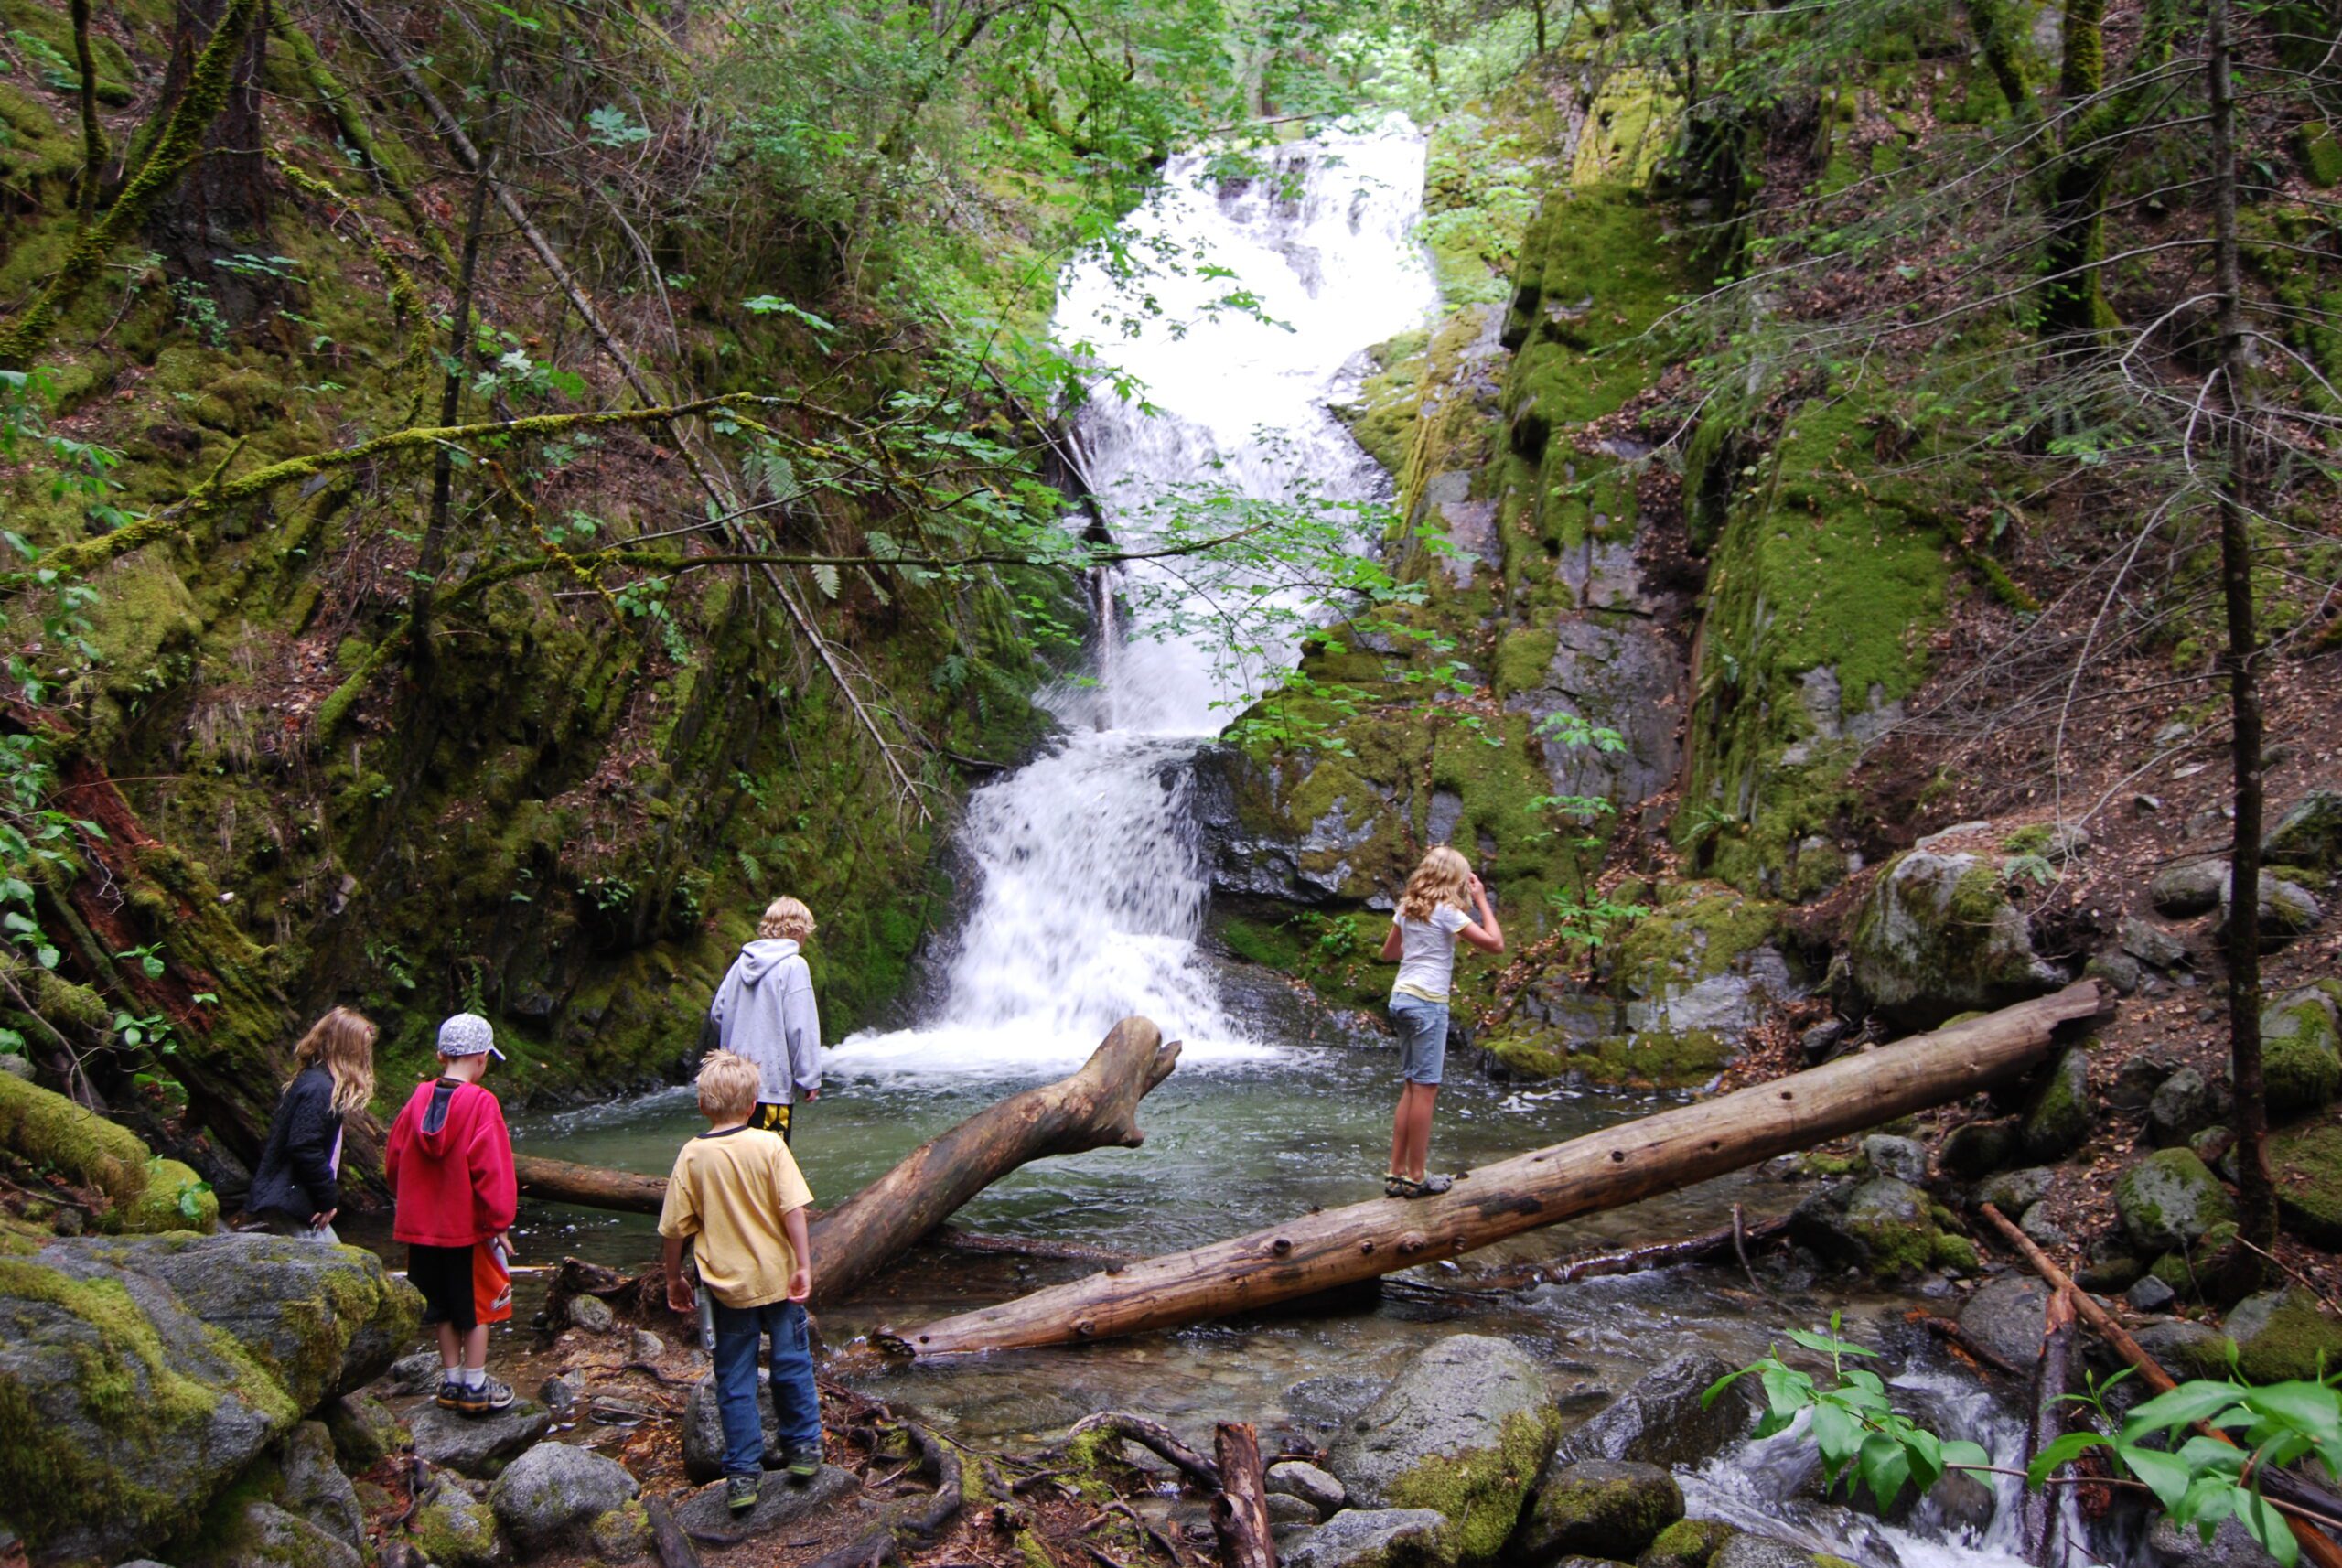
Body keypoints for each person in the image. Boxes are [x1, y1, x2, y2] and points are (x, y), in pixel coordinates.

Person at [660, 1049, 822, 1516]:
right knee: (792, 1364)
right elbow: (794, 1210)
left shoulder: (693, 1155)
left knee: (735, 1379)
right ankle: (805, 1448)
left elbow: (674, 1230)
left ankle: (743, 1474)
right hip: (777, 1279)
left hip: (726, 1288)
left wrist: (674, 1279)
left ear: (702, 1106)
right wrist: (803, 1264)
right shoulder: (770, 1145)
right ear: (753, 1105)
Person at [385, 1013, 519, 1416]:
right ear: (481, 1059)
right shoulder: (482, 1104)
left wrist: (407, 1200)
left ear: (442, 1055)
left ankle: (451, 1380)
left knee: (441, 1305)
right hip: (467, 1229)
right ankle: (476, 1387)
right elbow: (492, 1168)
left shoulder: (417, 1098)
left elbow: (394, 1158)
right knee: (477, 1307)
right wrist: (499, 1224)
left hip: (421, 1229)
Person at [1377, 845, 1504, 1198]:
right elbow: (1495, 944)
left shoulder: (1406, 907)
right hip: (1427, 1003)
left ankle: (1395, 1174)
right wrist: (1481, 901)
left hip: (1400, 998)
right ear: (1455, 880)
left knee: (1410, 1086)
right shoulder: (1448, 912)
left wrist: (1420, 945)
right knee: (1426, 1089)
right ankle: (1417, 1176)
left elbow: (1389, 953)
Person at [246, 1007, 377, 1243]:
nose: (366, 1059)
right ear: (348, 1051)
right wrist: (327, 1198)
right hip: (290, 1199)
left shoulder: (315, 1081)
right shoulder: (319, 1089)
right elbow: (304, 1146)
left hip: (294, 1198)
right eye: (363, 1050)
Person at [706, 897, 822, 1143]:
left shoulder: (741, 964)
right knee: (770, 1159)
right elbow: (800, 1027)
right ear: (799, 930)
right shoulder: (794, 966)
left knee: (736, 1156)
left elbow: (718, 1013)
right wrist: (809, 1077)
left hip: (733, 1085)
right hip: (771, 1085)